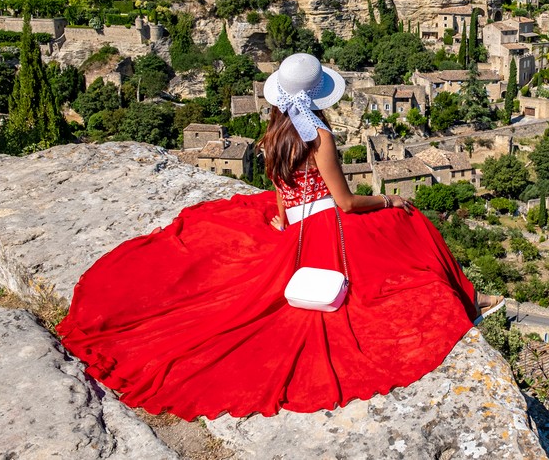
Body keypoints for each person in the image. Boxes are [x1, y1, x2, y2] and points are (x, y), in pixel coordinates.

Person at [58, 53, 504, 421]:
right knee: (410, 222)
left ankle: (468, 295)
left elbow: (279, 189)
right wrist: (387, 202)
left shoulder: (273, 132)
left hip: (293, 222)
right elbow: (346, 203)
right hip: (329, 224)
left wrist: (282, 220)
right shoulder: (320, 137)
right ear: (320, 95)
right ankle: (469, 297)